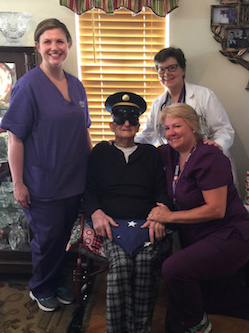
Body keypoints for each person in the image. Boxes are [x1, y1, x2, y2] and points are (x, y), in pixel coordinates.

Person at [0, 19, 92, 312]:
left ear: (68, 46)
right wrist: (18, 183)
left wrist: (94, 170)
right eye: (48, 41)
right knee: (47, 239)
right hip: (43, 183)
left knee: (65, 237)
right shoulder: (28, 86)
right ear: (38, 47)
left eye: (60, 41)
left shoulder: (76, 86)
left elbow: (84, 132)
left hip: (75, 179)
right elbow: (15, 138)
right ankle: (40, 287)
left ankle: (55, 280)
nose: (55, 47)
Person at [144, 103, 249, 333]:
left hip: (230, 235)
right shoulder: (169, 154)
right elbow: (140, 151)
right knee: (202, 298)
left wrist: (169, 216)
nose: (170, 132)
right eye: (166, 127)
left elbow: (216, 210)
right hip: (200, 237)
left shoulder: (209, 156)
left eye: (177, 126)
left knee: (173, 270)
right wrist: (114, 145)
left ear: (193, 126)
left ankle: (196, 325)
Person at [83, 91, 172, 333]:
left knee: (145, 264)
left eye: (132, 119)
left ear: (138, 124)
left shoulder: (151, 154)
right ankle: (116, 328)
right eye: (120, 118)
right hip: (111, 226)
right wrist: (96, 213)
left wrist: (160, 212)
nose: (126, 124)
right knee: (121, 266)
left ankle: (140, 328)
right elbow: (89, 192)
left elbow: (162, 192)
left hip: (145, 227)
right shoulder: (100, 152)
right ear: (111, 123)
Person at [134, 47, 237, 184]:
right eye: (161, 69)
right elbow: (148, 135)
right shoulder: (158, 103)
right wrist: (124, 144)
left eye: (172, 68)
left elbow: (224, 130)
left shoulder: (204, 96)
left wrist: (215, 148)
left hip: (207, 162)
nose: (166, 73)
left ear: (183, 70)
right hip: (176, 165)